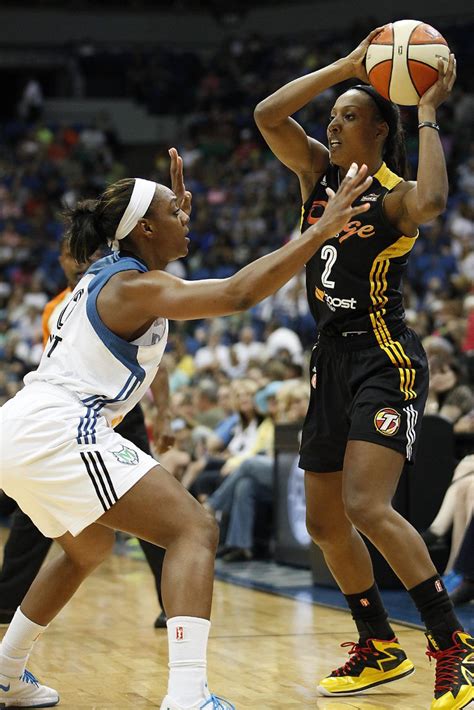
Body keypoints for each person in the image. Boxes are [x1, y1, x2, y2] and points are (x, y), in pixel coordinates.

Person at [0, 147, 372, 709]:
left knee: (88, 546)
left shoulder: (116, 274)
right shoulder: (133, 288)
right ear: (144, 228)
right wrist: (321, 228)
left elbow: (153, 253)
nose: (186, 218)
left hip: (25, 426)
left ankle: (5, 670)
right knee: (194, 529)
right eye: (175, 212)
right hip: (60, 426)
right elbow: (239, 294)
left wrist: (168, 217)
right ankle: (188, 694)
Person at [255, 26, 473, 710]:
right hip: (329, 356)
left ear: (381, 127)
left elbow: (435, 203)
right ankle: (377, 644)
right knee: (324, 523)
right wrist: (347, 67)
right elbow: (267, 115)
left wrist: (428, 109)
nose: (333, 122)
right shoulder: (317, 175)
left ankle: (450, 651)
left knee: (365, 505)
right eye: (333, 116)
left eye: (350, 114)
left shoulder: (395, 196)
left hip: (384, 354)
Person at [0, 237, 170, 630]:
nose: (78, 260)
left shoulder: (120, 289)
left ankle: (171, 598)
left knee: (157, 511)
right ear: (61, 259)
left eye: (86, 255)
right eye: (71, 254)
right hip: (73, 412)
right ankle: (10, 600)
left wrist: (164, 413)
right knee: (42, 516)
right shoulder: (57, 307)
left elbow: (157, 361)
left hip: (119, 407)